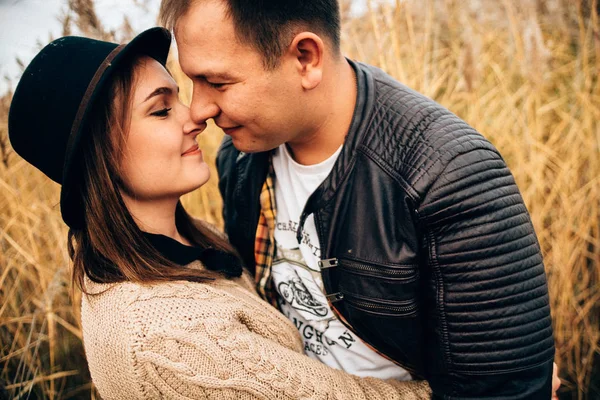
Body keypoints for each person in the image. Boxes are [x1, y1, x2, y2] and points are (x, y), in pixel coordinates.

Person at [158, 0, 559, 398]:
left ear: (305, 58)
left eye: (219, 83)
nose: (199, 109)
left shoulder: (450, 175)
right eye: (194, 82)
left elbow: (501, 391)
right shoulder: (241, 161)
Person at [8, 27, 435, 399]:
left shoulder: (191, 239)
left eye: (179, 97)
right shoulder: (162, 337)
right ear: (98, 157)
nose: (195, 115)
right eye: (160, 109)